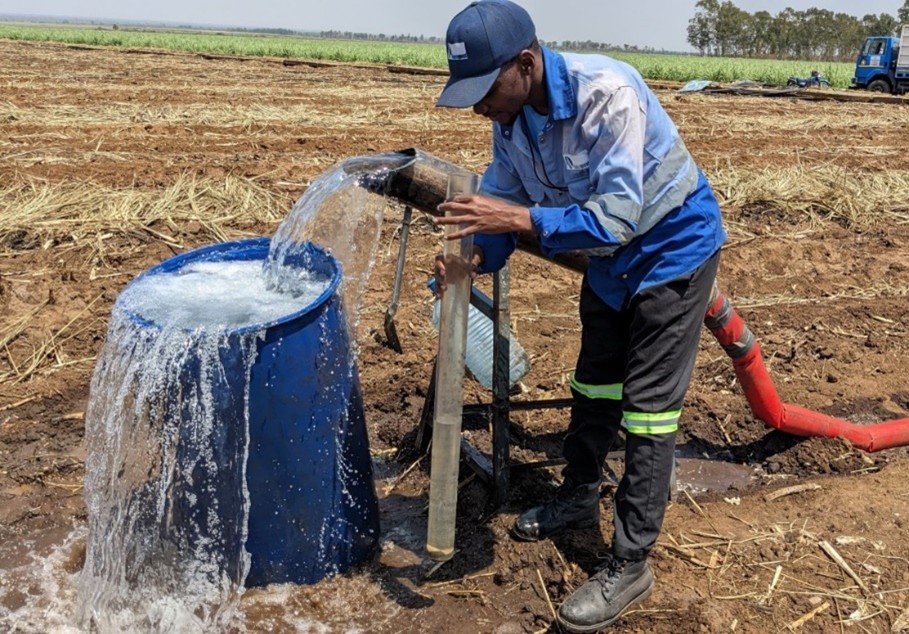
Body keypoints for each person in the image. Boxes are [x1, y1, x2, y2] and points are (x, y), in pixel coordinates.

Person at [431, 1, 726, 631]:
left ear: (527, 63)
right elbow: (500, 205)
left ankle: (630, 560)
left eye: (487, 89)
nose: (482, 106)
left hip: (672, 249)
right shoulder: (511, 123)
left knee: (648, 411)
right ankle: (578, 495)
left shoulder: (607, 95)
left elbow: (615, 216)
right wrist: (473, 259)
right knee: (593, 383)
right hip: (610, 264)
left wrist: (515, 220)